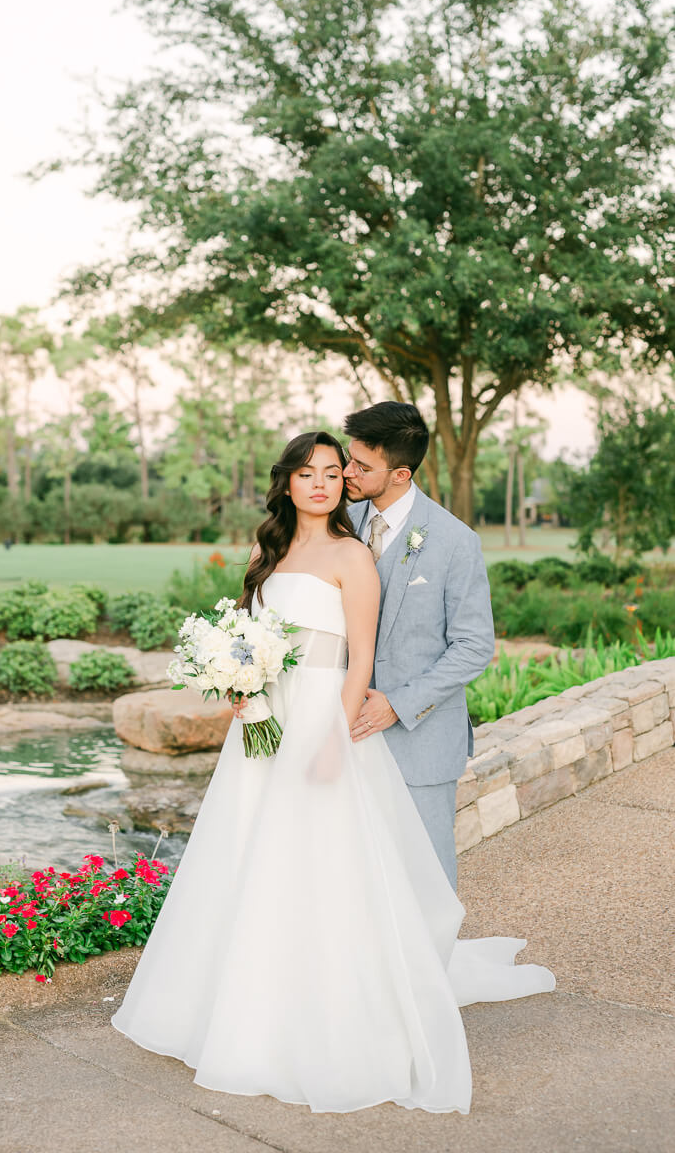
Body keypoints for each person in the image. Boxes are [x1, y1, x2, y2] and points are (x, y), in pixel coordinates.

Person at [111, 431, 554, 1115]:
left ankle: (323, 1011)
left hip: (323, 720)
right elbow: (249, 638)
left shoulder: (354, 556)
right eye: (306, 473)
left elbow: (362, 659)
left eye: (330, 472)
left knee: (319, 864)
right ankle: (233, 1003)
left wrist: (334, 743)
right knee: (246, 855)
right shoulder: (267, 552)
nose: (320, 483)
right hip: (266, 721)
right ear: (286, 482)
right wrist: (237, 685)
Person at [343, 401, 494, 888]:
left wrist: (399, 704)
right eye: (350, 458)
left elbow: (474, 646)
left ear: (401, 473)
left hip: (421, 739)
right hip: (342, 735)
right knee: (354, 871)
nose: (347, 472)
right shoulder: (337, 523)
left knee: (425, 877)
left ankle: (431, 967)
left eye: (362, 466)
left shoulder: (455, 541)